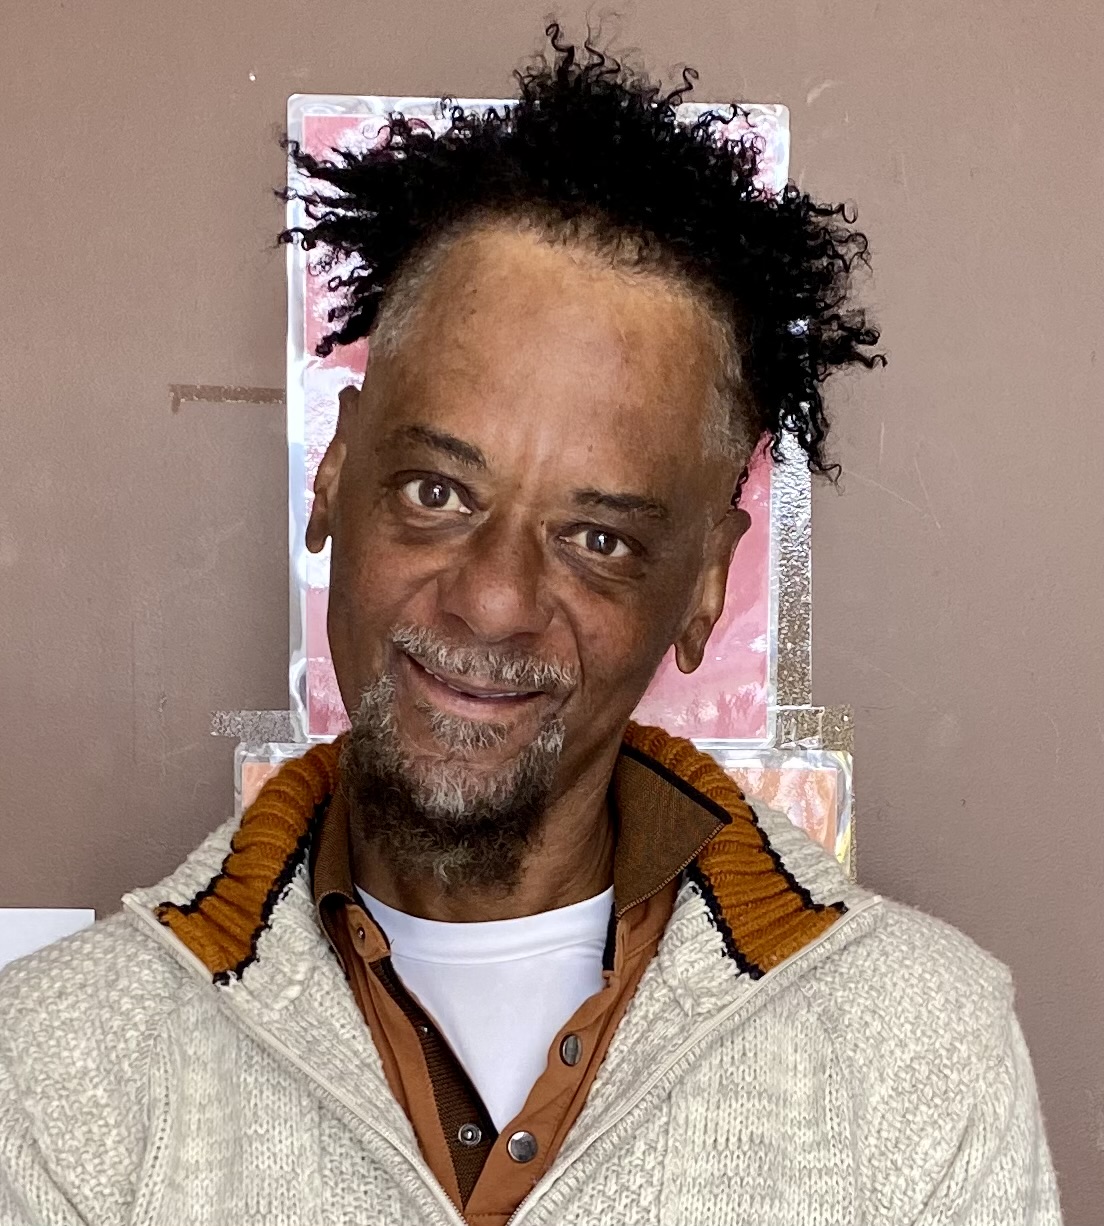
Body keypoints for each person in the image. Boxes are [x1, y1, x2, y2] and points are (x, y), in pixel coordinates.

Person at [0, 28, 1061, 1226]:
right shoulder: (59, 1071)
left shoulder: (924, 1059)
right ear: (334, 472)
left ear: (706, 582)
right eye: (437, 490)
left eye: (598, 537)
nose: (495, 598)